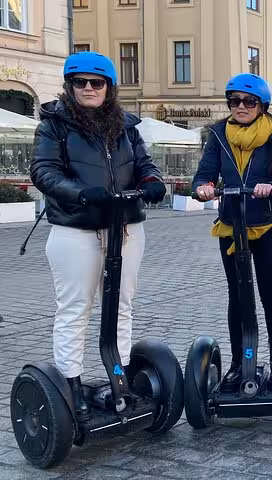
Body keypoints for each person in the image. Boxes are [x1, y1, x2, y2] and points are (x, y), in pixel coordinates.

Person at [30, 52, 167, 416]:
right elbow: (44, 172)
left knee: (121, 307)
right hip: (76, 230)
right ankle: (71, 388)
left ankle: (118, 380)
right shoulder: (54, 125)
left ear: (109, 88)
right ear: (69, 86)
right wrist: (80, 192)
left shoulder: (126, 126)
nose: (88, 88)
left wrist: (152, 182)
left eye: (97, 82)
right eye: (80, 82)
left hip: (125, 227)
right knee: (76, 309)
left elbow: (144, 164)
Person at [193, 73, 272, 391]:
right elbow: (203, 174)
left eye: (248, 101)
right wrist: (203, 187)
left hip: (267, 224)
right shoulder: (218, 136)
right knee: (237, 295)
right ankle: (238, 364)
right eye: (234, 100)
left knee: (268, 293)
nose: (240, 106)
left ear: (262, 106)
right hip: (231, 224)